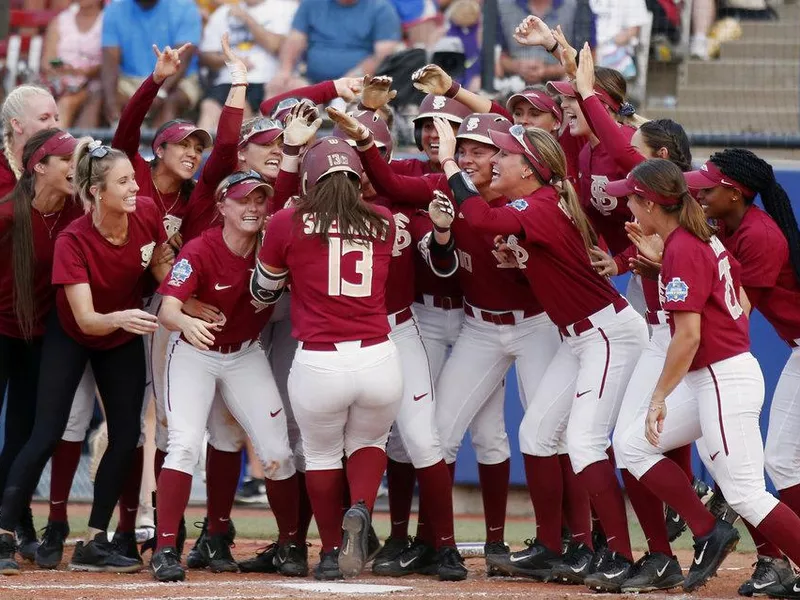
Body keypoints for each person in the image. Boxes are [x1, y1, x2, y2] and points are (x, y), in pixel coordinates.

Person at [434, 123, 647, 591]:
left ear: (529, 169)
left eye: (503, 156)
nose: (494, 162)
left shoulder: (542, 203)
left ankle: (618, 554)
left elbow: (482, 221)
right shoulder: (541, 203)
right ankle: (552, 547)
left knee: (586, 443)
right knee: (534, 434)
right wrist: (526, 263)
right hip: (579, 336)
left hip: (608, 333)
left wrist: (451, 162)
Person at [612, 158, 800, 595]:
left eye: (634, 201)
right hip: (715, 377)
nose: (630, 209)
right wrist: (662, 265)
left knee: (748, 493)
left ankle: (740, 541)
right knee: (632, 443)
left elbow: (689, 336)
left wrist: (658, 396)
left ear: (652, 204)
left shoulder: (685, 244)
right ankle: (707, 529)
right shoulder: (695, 238)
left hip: (722, 376)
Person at [0, 139, 172, 575]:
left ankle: (96, 539)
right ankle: (2, 531)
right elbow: (88, 319)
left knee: (126, 433)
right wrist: (128, 316)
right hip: (75, 333)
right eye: (124, 181)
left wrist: (182, 301)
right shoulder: (73, 239)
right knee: (47, 431)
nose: (136, 188)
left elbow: (160, 270)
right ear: (96, 191)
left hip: (121, 332)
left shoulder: (147, 213)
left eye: (134, 179)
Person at [251, 132, 403, 580]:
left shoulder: (287, 220)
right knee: (369, 444)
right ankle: (359, 507)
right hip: (378, 354)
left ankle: (334, 551)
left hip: (319, 358)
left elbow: (263, 290)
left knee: (319, 455)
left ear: (309, 180)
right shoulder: (384, 220)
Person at [329, 108, 467, 582]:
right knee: (340, 442)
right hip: (340, 335)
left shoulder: (406, 193)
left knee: (420, 439)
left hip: (400, 327)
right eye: (361, 155)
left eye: (380, 155)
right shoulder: (316, 209)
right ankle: (339, 539)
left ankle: (442, 545)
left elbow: (440, 256)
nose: (368, 167)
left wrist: (441, 234)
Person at [151, 170, 302, 582]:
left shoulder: (274, 244)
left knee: (277, 453)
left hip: (245, 353)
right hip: (195, 354)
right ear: (222, 207)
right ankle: (165, 549)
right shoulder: (201, 248)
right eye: (242, 200)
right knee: (183, 446)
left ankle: (291, 545)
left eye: (259, 200)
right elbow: (166, 308)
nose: (252, 207)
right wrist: (184, 320)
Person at [684, 149, 800, 598]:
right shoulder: (730, 224)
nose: (701, 193)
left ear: (735, 192)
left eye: (709, 188)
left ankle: (778, 558)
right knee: (782, 462)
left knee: (782, 461)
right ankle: (775, 561)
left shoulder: (760, 235)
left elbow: (736, 305)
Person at [0, 129, 84, 571]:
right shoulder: (8, 215)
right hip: (1, 329)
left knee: (27, 434)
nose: (77, 165)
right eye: (68, 158)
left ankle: (11, 523)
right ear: (40, 167)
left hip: (41, 336)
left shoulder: (75, 210)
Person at [198, 0, 297, 131]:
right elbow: (205, 56)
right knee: (209, 107)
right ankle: (205, 150)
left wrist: (246, 18)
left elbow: (276, 46)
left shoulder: (285, 8)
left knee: (243, 111)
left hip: (267, 80)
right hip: (228, 80)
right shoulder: (223, 12)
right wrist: (231, 60)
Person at [101, 0, 203, 127]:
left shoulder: (186, 7)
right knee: (100, 95)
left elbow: (180, 62)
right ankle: (85, 145)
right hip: (129, 80)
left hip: (176, 79)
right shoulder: (114, 9)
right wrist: (111, 102)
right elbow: (109, 63)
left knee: (171, 101)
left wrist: (158, 93)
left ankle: (158, 145)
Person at [272, 0, 402, 95]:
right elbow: (295, 39)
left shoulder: (381, 8)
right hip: (312, 80)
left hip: (359, 82)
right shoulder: (311, 3)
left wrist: (346, 82)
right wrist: (285, 72)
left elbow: (383, 55)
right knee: (277, 89)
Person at [496, 0, 595, 86]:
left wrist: (548, 70)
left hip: (561, 87)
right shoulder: (502, 6)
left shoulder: (577, 6)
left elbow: (586, 60)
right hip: (513, 86)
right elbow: (496, 59)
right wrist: (518, 66)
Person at [41, 0, 105, 128]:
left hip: (92, 83)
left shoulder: (108, 21)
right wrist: (61, 71)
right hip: (60, 82)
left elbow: (110, 63)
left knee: (67, 103)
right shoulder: (61, 20)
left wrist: (81, 72)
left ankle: (56, 145)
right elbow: (47, 62)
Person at [0, 86, 60, 195]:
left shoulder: (63, 165)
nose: (55, 125)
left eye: (56, 118)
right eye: (44, 118)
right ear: (17, 124)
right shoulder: (2, 171)